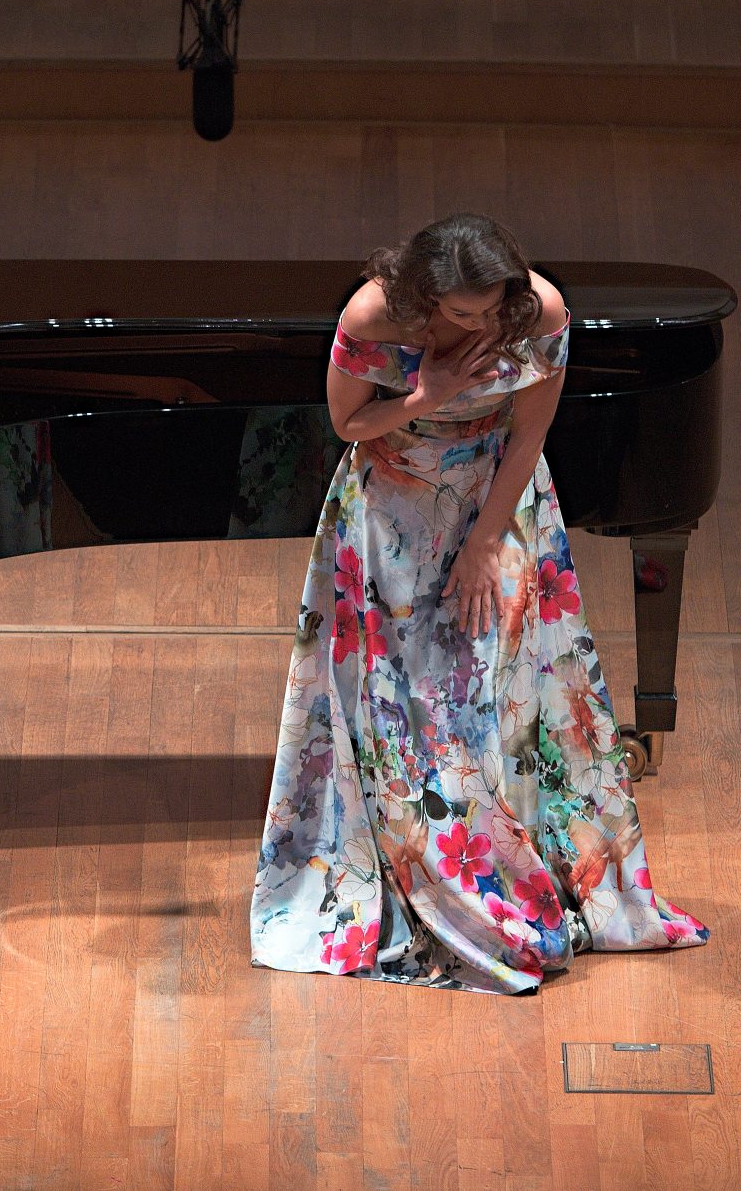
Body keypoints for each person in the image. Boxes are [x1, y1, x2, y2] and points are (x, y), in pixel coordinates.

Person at [250, 212, 706, 992]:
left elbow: (529, 436)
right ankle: (431, 878)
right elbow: (347, 422)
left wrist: (483, 547)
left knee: (501, 692)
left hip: (498, 501)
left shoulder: (540, 311)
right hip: (394, 514)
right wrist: (427, 394)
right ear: (424, 295)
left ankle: (516, 866)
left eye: (492, 307)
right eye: (463, 312)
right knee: (411, 709)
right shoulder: (373, 313)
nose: (482, 322)